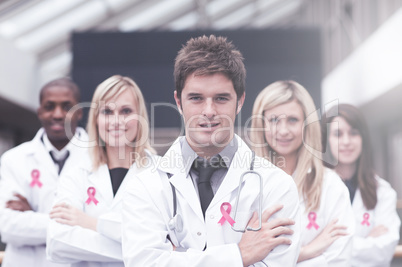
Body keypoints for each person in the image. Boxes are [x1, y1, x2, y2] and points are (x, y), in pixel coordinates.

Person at [122, 35, 301, 267]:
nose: (208, 111)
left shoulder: (276, 187)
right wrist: (241, 255)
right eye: (196, 98)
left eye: (221, 98)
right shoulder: (145, 186)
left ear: (240, 101)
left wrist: (178, 256)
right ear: (178, 101)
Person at [46, 75, 156, 267]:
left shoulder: (161, 173)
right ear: (96, 119)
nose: (116, 121)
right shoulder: (77, 172)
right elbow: (57, 242)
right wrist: (137, 247)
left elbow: (164, 240)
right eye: (107, 111)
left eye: (126, 111)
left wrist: (91, 223)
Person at [250, 80, 355, 266]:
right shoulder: (245, 183)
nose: (283, 130)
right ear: (261, 124)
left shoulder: (330, 184)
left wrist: (274, 259)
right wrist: (308, 251)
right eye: (274, 120)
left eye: (292, 120)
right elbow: (240, 256)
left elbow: (340, 259)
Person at [0, 77, 87, 267]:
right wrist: (80, 221)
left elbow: (105, 227)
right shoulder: (14, 159)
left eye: (66, 106)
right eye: (49, 106)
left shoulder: (100, 158)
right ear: (39, 111)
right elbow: (7, 227)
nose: (57, 114)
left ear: (79, 112)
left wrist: (32, 216)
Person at [322, 103, 400, 267]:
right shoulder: (315, 187)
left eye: (354, 133)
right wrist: (367, 242)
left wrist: (328, 245)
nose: (346, 141)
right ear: (326, 140)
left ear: (363, 138)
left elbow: (384, 250)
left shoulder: (383, 191)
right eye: (338, 134)